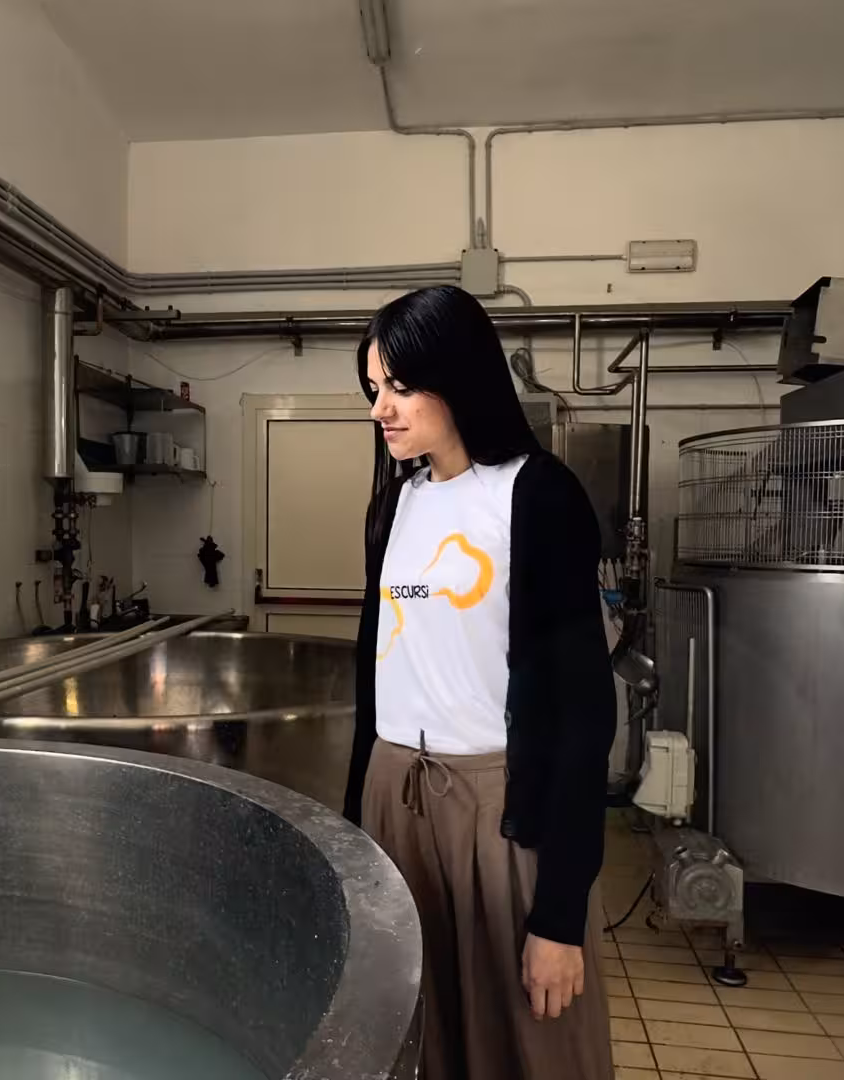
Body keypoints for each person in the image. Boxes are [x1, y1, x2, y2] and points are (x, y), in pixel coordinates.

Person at [345, 285, 615, 1080]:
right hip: (396, 799)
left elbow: (582, 717)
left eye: (398, 387)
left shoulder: (536, 495)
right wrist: (358, 818)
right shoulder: (397, 502)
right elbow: (377, 672)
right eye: (373, 390)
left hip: (500, 813)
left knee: (526, 1041)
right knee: (419, 1036)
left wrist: (560, 918)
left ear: (457, 376)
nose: (380, 410)